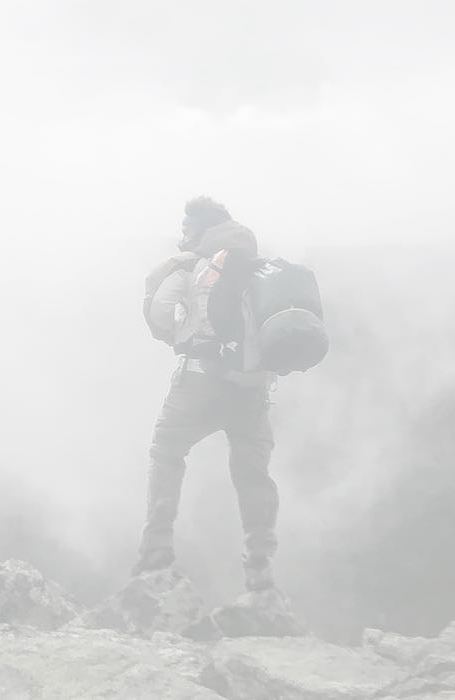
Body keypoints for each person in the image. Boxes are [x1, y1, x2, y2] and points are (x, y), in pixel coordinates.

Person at [137, 196, 280, 592]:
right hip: (251, 389)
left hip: (198, 381)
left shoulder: (193, 264)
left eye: (186, 229)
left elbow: (161, 313)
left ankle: (157, 552)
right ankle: (260, 565)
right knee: (253, 473)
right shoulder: (261, 265)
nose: (182, 237)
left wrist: (179, 337)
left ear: (199, 228)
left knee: (166, 452)